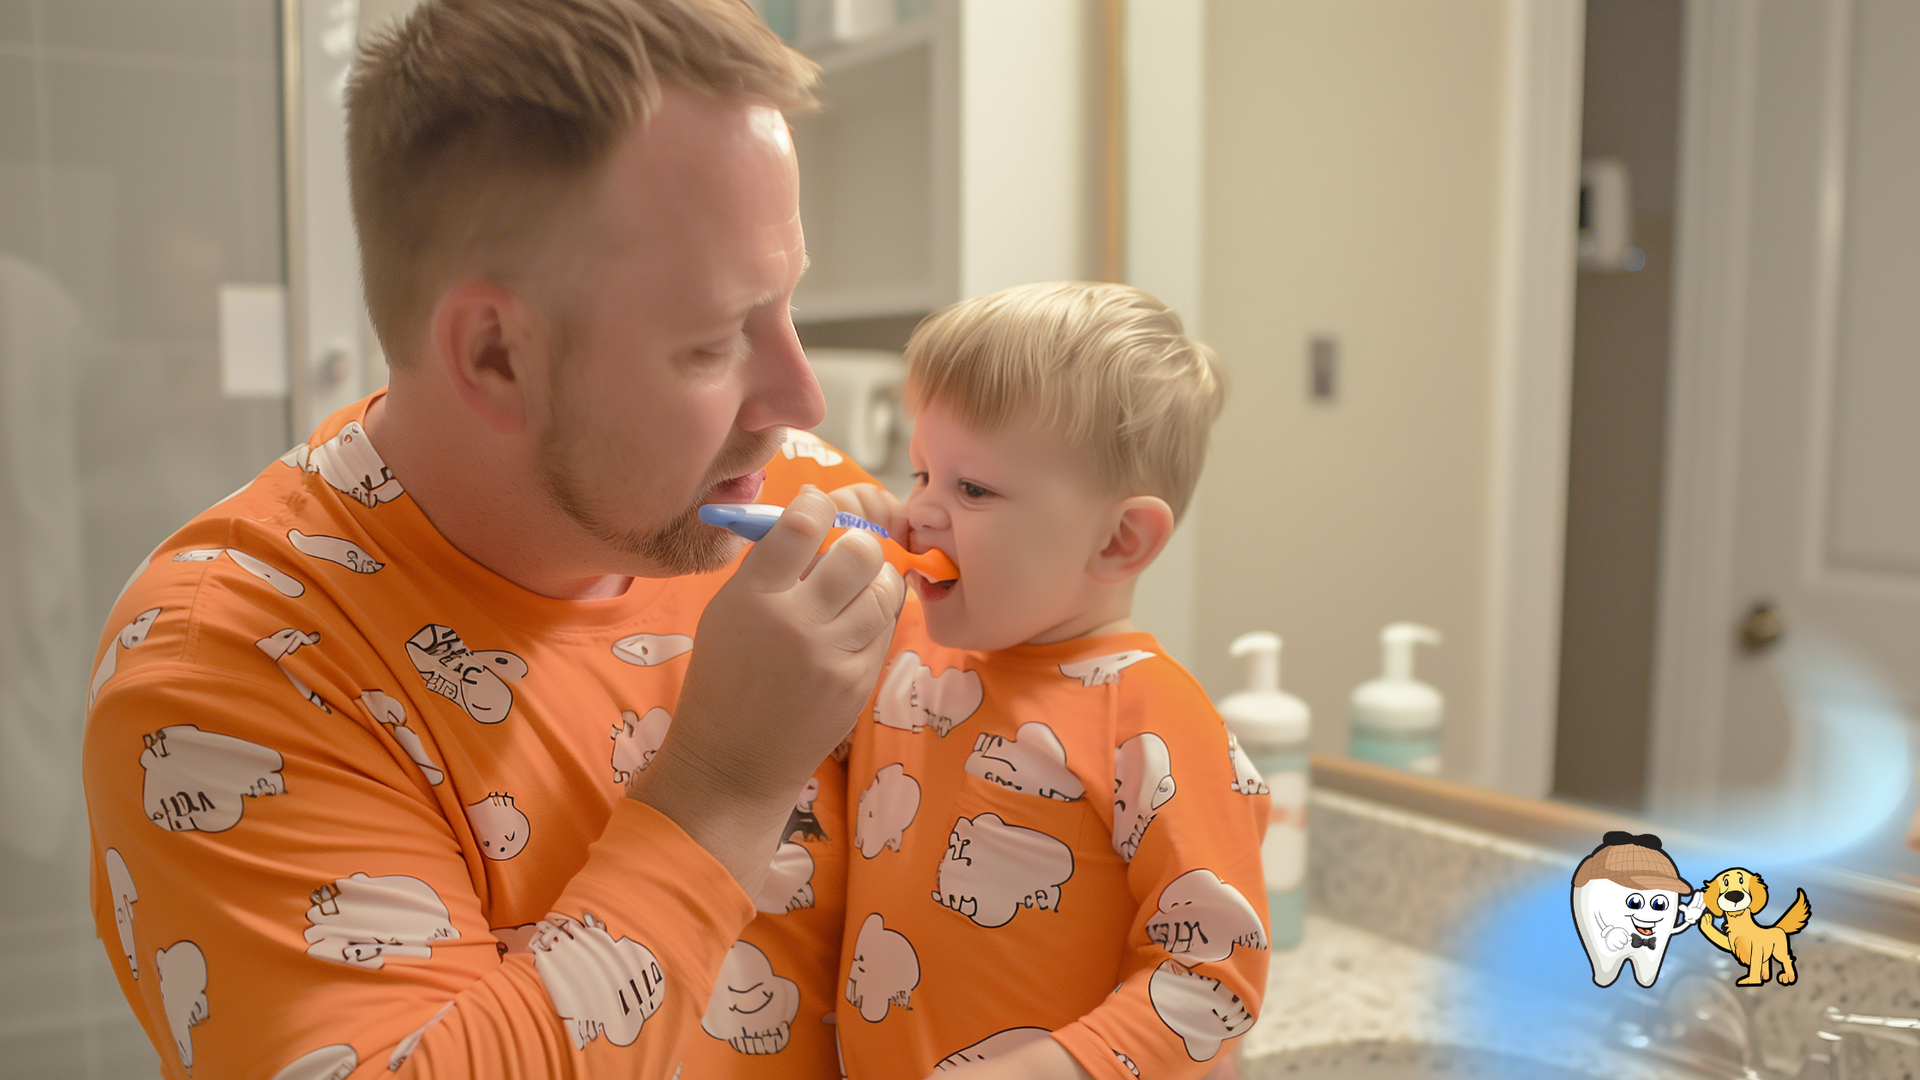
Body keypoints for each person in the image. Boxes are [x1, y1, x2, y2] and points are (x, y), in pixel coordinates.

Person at [80, 1, 904, 1077]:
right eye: (711, 345)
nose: (800, 398)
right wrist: (723, 791)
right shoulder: (224, 673)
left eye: (789, 303)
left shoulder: (796, 503)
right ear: (495, 356)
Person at [830, 283, 1272, 1080]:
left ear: (1118, 541)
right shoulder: (903, 654)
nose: (922, 511)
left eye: (971, 489)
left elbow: (1214, 979)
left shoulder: (1154, 722)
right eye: (922, 470)